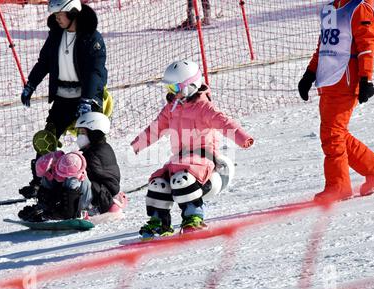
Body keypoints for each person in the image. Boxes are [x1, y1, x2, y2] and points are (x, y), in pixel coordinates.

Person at [130, 60, 254, 238]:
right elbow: (156, 128)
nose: (172, 93)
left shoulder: (204, 108)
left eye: (175, 87)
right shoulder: (171, 108)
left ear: (191, 86)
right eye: (169, 89)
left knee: (182, 179)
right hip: (180, 158)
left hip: (203, 157)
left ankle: (193, 217)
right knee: (158, 182)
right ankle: (159, 222)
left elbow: (225, 123)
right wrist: (138, 144)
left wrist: (243, 139)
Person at [19, 0, 108, 199]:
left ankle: (98, 183)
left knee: (89, 141)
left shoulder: (91, 38)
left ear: (73, 13)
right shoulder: (56, 35)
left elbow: (97, 71)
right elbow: (44, 62)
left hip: (86, 100)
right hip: (62, 98)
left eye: (60, 14)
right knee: (46, 139)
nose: (56, 18)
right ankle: (40, 181)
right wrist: (31, 84)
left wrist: (89, 99)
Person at [298, 0, 374, 203]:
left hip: (346, 80)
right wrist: (309, 75)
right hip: (327, 82)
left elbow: (366, 45)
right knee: (337, 133)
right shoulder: (329, 9)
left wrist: (365, 78)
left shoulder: (359, 7)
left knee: (332, 134)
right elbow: (323, 47)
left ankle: (338, 186)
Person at [18, 112, 125, 222]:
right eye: (79, 132)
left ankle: (69, 212)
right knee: (53, 170)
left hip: (99, 200)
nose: (79, 136)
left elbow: (110, 185)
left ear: (94, 132)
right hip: (88, 195)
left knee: (72, 168)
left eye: (83, 132)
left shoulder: (101, 150)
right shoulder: (89, 150)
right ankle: (43, 208)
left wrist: (63, 164)